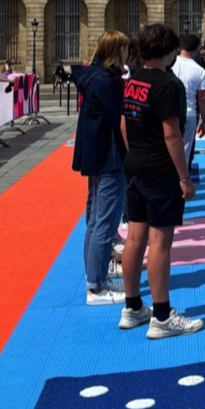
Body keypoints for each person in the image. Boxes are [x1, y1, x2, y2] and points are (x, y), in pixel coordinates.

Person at [119, 23, 204, 338]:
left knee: (134, 238)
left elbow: (125, 125)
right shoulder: (167, 85)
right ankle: (162, 315)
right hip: (159, 169)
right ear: (169, 51)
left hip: (135, 165)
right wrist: (184, 177)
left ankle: (132, 306)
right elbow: (172, 134)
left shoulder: (132, 81)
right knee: (159, 243)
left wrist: (136, 154)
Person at [72, 30, 131, 306]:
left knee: (96, 218)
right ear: (118, 51)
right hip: (109, 156)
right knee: (105, 221)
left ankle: (94, 279)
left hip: (95, 155)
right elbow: (119, 119)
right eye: (125, 49)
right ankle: (96, 286)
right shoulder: (107, 82)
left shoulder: (93, 76)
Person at [173, 34, 205, 166]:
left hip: (168, 111)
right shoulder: (200, 71)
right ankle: (183, 177)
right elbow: (203, 99)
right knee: (185, 150)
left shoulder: (169, 64)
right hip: (189, 113)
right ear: (197, 50)